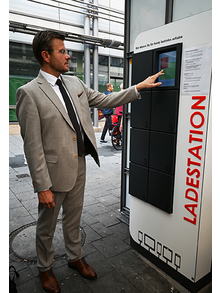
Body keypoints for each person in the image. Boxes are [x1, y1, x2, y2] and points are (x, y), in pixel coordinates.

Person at [16, 30, 163, 293]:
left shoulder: (74, 83)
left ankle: (75, 258)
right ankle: (45, 268)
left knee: (74, 219)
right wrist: (42, 186)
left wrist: (138, 87)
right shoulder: (29, 93)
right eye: (62, 51)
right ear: (46, 55)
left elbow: (106, 100)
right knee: (46, 227)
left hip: (79, 165)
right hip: (52, 173)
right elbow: (32, 144)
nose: (67, 54)